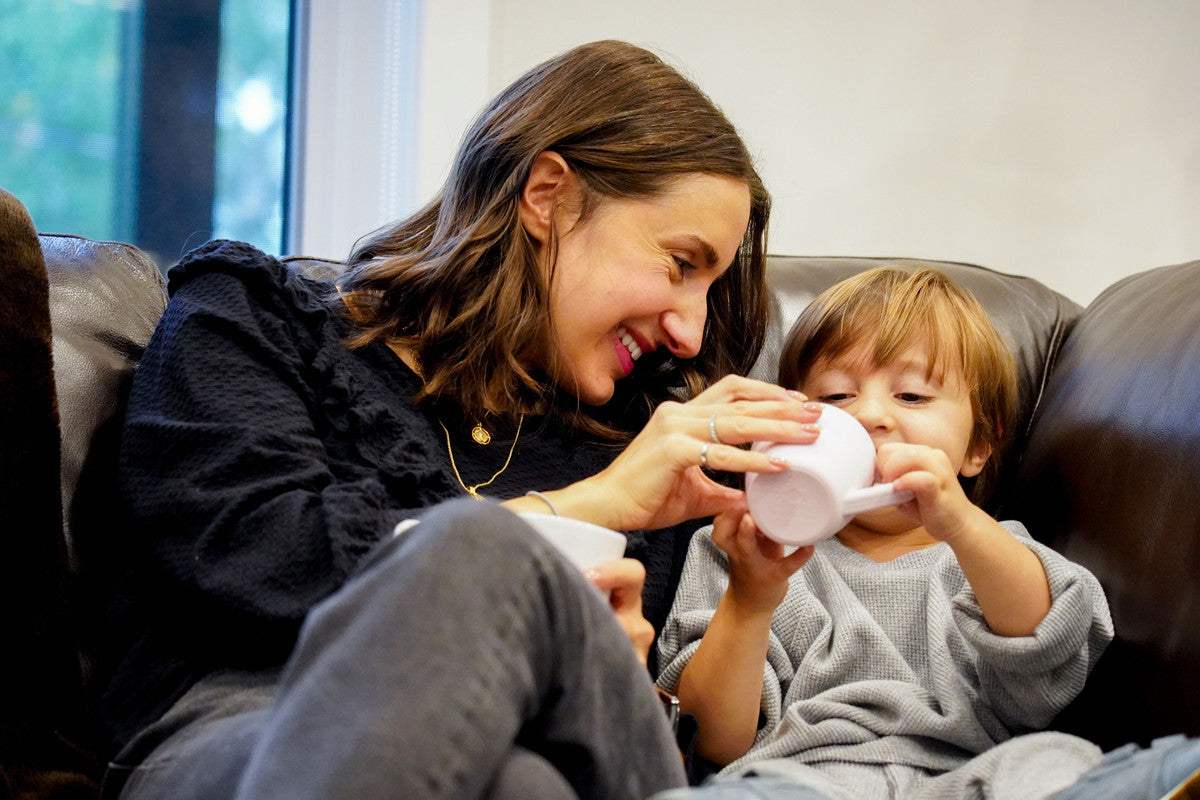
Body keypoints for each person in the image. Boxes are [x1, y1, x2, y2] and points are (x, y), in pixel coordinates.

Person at [96, 40, 825, 800]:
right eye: (682, 264)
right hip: (247, 728)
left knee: (529, 780)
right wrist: (593, 507)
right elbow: (260, 565)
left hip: (535, 737)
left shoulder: (637, 436)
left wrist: (622, 671)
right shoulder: (250, 316)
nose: (692, 335)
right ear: (549, 195)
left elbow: (638, 725)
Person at [654, 267, 1128, 799]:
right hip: (802, 779)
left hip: (966, 779)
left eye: (912, 397)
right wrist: (749, 600)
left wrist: (963, 526)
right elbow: (716, 742)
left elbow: (1049, 654)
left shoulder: (993, 555)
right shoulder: (744, 551)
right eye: (836, 398)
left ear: (976, 448)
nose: (870, 416)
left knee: (1063, 760)